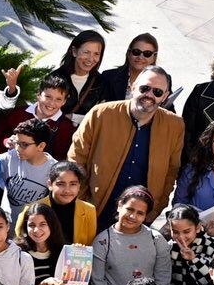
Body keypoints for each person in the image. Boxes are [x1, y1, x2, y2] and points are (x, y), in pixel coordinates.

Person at [69, 65, 186, 216]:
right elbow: (76, 158)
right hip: (95, 209)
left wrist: (156, 208)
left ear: (165, 96)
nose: (149, 95)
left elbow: (172, 171)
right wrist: (84, 200)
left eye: (157, 92)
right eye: (144, 88)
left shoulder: (175, 125)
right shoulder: (101, 114)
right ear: (133, 86)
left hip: (139, 217)